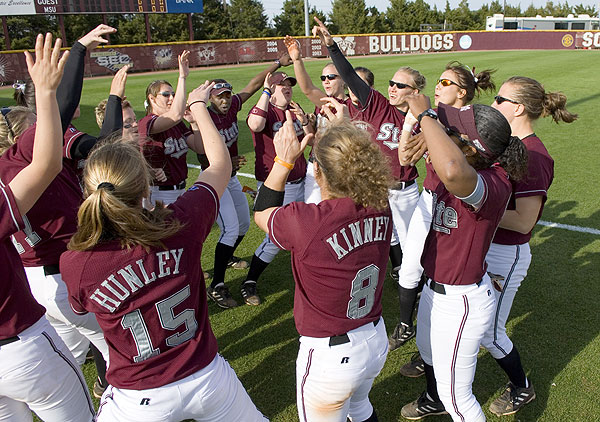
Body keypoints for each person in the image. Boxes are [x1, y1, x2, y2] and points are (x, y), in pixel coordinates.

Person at [60, 81, 268, 422]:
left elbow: (84, 307)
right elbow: (219, 166)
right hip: (206, 377)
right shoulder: (180, 223)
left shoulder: (77, 262)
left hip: (140, 398)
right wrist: (199, 106)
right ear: (145, 184)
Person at [253, 102, 392, 422]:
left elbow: (261, 213)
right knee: (360, 408)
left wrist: (284, 160)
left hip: (332, 357)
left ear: (318, 172)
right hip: (374, 337)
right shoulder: (380, 202)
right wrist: (344, 132)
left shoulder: (308, 221)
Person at [0, 24, 117, 398]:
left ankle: (99, 384)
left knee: (67, 355)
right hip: (63, 274)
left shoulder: (7, 173)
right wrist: (78, 50)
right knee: (125, 341)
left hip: (36, 280)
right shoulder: (23, 158)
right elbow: (62, 108)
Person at [399, 97, 528, 421]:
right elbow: (437, 162)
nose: (445, 134)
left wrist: (426, 116)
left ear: (473, 149)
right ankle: (433, 400)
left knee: (458, 398)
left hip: (461, 302)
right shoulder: (460, 162)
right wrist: (427, 129)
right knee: (428, 355)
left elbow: (454, 170)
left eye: (453, 132)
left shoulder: (494, 183)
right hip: (433, 289)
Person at [482, 76, 576, 416]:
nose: (493, 106)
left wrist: (477, 203)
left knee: (489, 333)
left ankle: (522, 387)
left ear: (519, 108)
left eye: (499, 99)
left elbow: (523, 221)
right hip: (488, 247)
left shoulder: (534, 156)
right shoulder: (505, 143)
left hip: (507, 255)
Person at [391, 62, 496, 363]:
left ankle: (442, 350)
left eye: (446, 82)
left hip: (462, 208)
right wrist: (414, 121)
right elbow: (404, 156)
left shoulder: (472, 121)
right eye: (438, 81)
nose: (437, 86)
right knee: (411, 268)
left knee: (447, 278)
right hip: (430, 199)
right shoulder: (433, 118)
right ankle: (405, 326)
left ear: (462, 92)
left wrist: (426, 117)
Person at [312, 17, 424, 293]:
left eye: (400, 85)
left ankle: (416, 290)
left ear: (415, 92)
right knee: (382, 238)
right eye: (391, 83)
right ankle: (388, 280)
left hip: (406, 192)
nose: (393, 88)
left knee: (414, 249)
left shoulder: (424, 118)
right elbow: (349, 76)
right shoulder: (377, 106)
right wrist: (331, 46)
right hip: (377, 189)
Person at [200, 54, 293, 308]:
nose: (225, 99)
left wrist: (277, 63)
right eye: (219, 95)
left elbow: (251, 86)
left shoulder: (231, 108)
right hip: (214, 180)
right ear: (210, 98)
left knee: (241, 227)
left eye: (227, 94)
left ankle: (226, 258)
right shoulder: (204, 117)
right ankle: (217, 284)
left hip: (229, 177)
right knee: (230, 229)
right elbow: (202, 148)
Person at [221, 71, 311, 308]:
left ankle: (308, 273)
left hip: (303, 181)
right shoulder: (265, 110)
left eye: (288, 85)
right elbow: (255, 123)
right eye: (281, 85)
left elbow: (310, 139)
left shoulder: (294, 108)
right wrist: (266, 91)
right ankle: (249, 280)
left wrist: (307, 121)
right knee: (276, 238)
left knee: (309, 229)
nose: (287, 88)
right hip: (279, 184)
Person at [283, 34, 352, 204]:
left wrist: (298, 60)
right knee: (313, 211)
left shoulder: (348, 105)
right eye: (323, 78)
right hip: (315, 165)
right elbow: (314, 136)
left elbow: (307, 89)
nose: (326, 81)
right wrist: (297, 59)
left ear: (343, 80)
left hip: (337, 166)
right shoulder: (322, 102)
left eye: (331, 77)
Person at [139, 50, 203, 206]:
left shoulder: (177, 124)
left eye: (173, 94)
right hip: (160, 194)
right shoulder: (148, 123)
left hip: (181, 189)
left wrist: (194, 123)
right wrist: (182, 77)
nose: (172, 98)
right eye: (166, 95)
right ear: (152, 98)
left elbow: (199, 148)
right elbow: (175, 114)